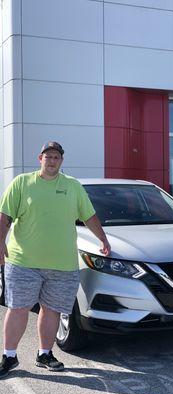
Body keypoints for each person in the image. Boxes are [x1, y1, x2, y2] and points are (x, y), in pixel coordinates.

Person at [0, 141, 111, 378]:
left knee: (50, 310)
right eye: (48, 156)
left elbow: (89, 216)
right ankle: (9, 356)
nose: (52, 161)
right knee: (18, 309)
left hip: (62, 264)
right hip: (23, 262)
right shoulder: (22, 183)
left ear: (62, 161)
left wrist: (103, 239)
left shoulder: (72, 186)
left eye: (57, 157)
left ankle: (44, 354)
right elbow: (5, 216)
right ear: (40, 158)